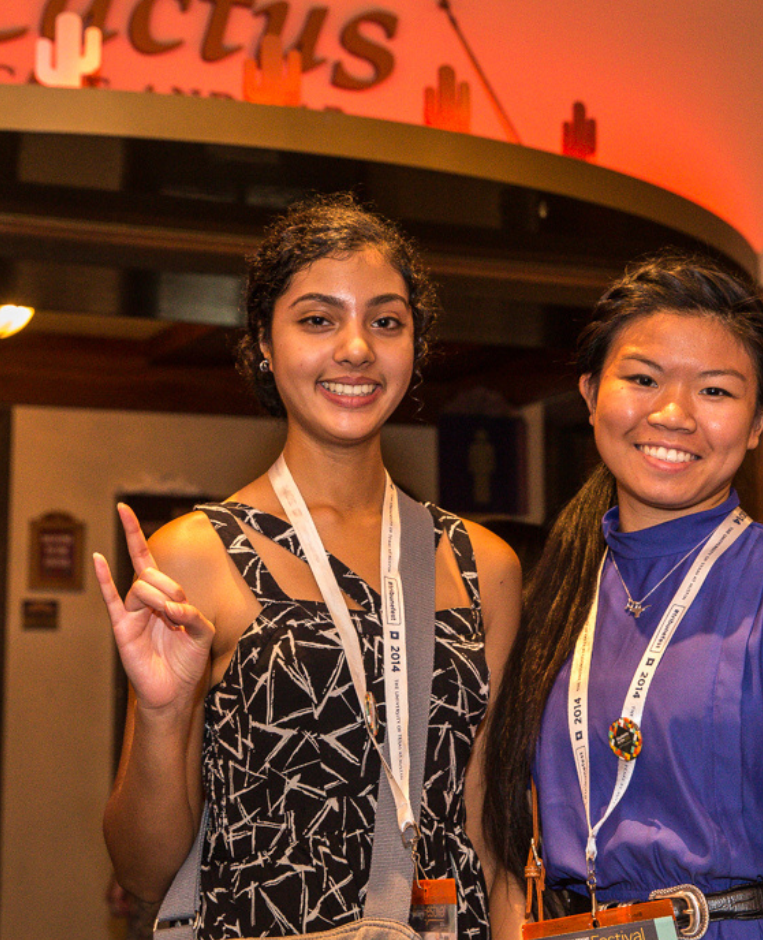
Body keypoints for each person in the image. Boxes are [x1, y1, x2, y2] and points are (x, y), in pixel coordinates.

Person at [97, 193, 522, 939]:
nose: (355, 347)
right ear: (265, 340)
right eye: (318, 319)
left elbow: (490, 827)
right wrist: (165, 714)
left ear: (415, 345)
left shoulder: (483, 564)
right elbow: (143, 872)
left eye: (385, 321)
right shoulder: (195, 555)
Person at [483, 252, 763, 939]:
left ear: (757, 421)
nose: (673, 413)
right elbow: (501, 837)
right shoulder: (553, 592)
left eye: (715, 391)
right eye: (643, 378)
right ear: (592, 392)